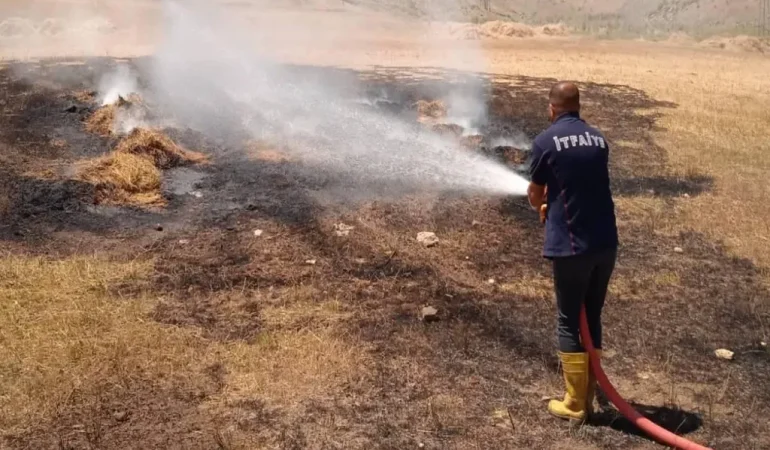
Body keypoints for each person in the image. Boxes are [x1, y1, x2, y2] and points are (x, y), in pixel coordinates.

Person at [526, 81, 618, 424]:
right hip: (605, 244)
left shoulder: (545, 141)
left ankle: (575, 403)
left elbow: (535, 194)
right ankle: (589, 395)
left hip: (572, 246)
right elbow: (584, 185)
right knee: (591, 315)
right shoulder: (599, 139)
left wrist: (541, 204)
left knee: (568, 318)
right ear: (578, 106)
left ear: (552, 108)